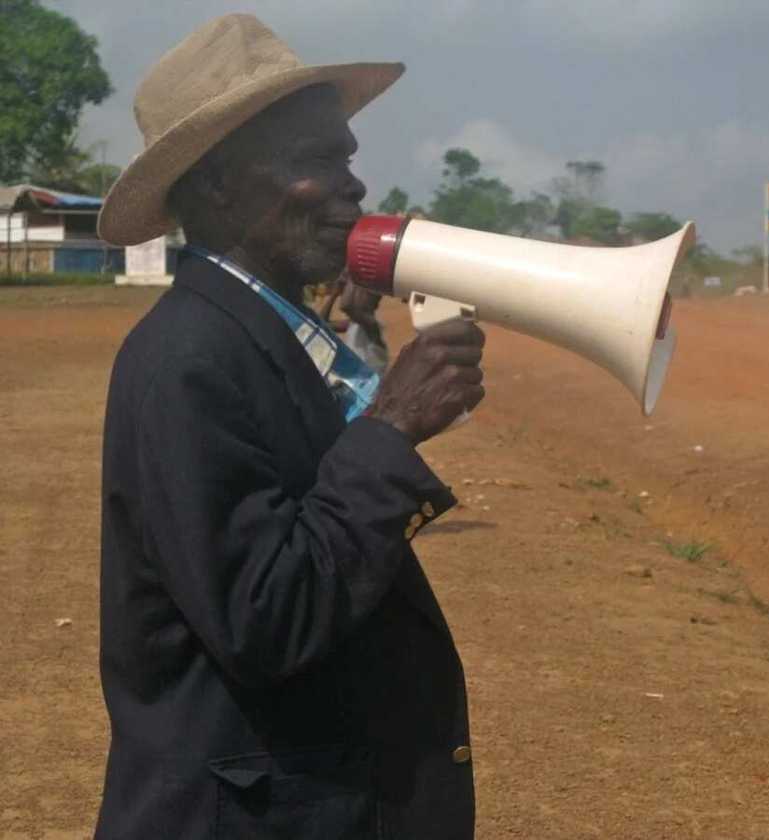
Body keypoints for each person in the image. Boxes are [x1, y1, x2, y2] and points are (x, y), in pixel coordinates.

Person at [95, 15, 484, 839]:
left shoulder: (254, 334)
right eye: (316, 161)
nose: (353, 188)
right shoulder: (189, 359)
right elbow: (265, 618)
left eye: (346, 159)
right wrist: (389, 431)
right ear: (217, 186)